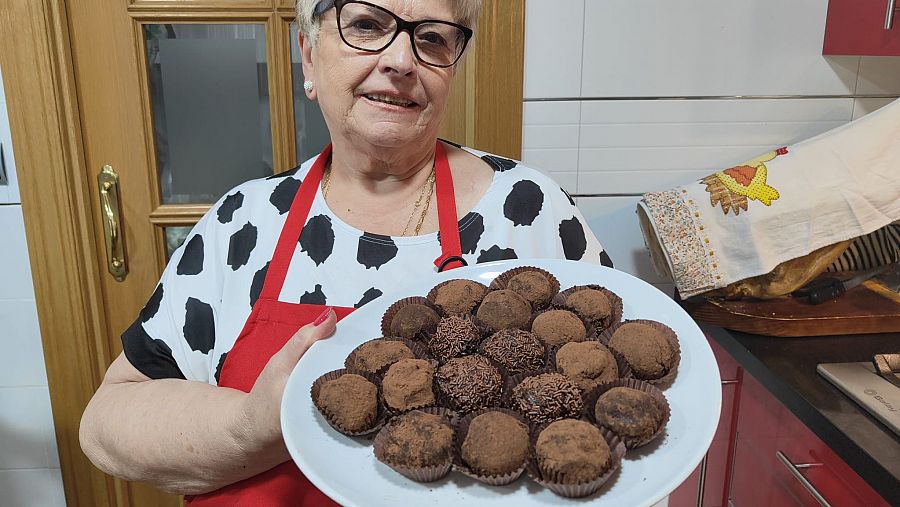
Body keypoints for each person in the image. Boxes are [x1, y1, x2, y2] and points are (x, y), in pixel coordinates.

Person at [79, 0, 613, 505]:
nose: (401, 61)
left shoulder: (530, 209)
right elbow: (107, 425)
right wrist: (254, 426)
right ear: (309, 55)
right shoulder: (244, 223)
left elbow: (618, 419)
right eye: (366, 25)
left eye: (431, 37)